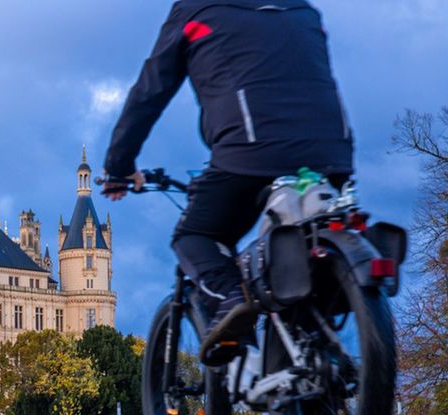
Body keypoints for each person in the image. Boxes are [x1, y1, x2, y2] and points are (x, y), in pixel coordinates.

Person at [100, 0, 354, 366]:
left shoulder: (197, 9)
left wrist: (119, 166)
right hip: (335, 153)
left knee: (196, 236)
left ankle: (232, 298)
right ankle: (312, 349)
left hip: (250, 151)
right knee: (302, 239)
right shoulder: (304, 10)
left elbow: (149, 93)